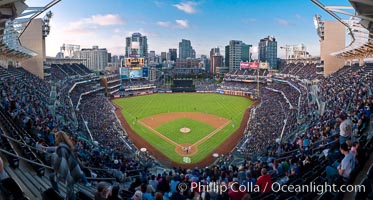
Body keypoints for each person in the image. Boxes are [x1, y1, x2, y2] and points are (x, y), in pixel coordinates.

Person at [50, 131, 89, 200]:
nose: (55, 139)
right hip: (75, 171)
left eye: (56, 137)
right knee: (70, 190)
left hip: (70, 173)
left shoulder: (62, 147)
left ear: (58, 138)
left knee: (70, 191)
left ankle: (58, 194)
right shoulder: (67, 145)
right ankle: (59, 194)